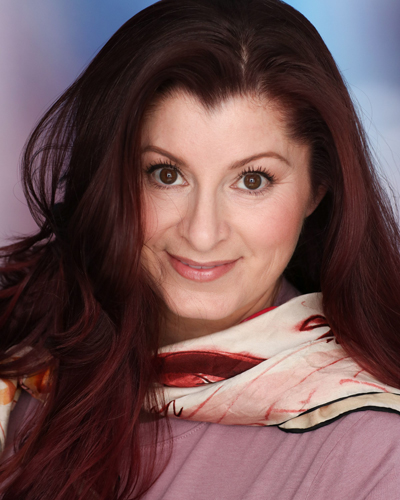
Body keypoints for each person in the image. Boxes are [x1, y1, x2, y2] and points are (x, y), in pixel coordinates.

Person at [1, 0, 400, 498]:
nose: (203, 233)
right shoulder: (23, 367)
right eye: (166, 174)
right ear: (110, 178)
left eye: (252, 180)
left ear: (318, 189)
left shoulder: (375, 450)